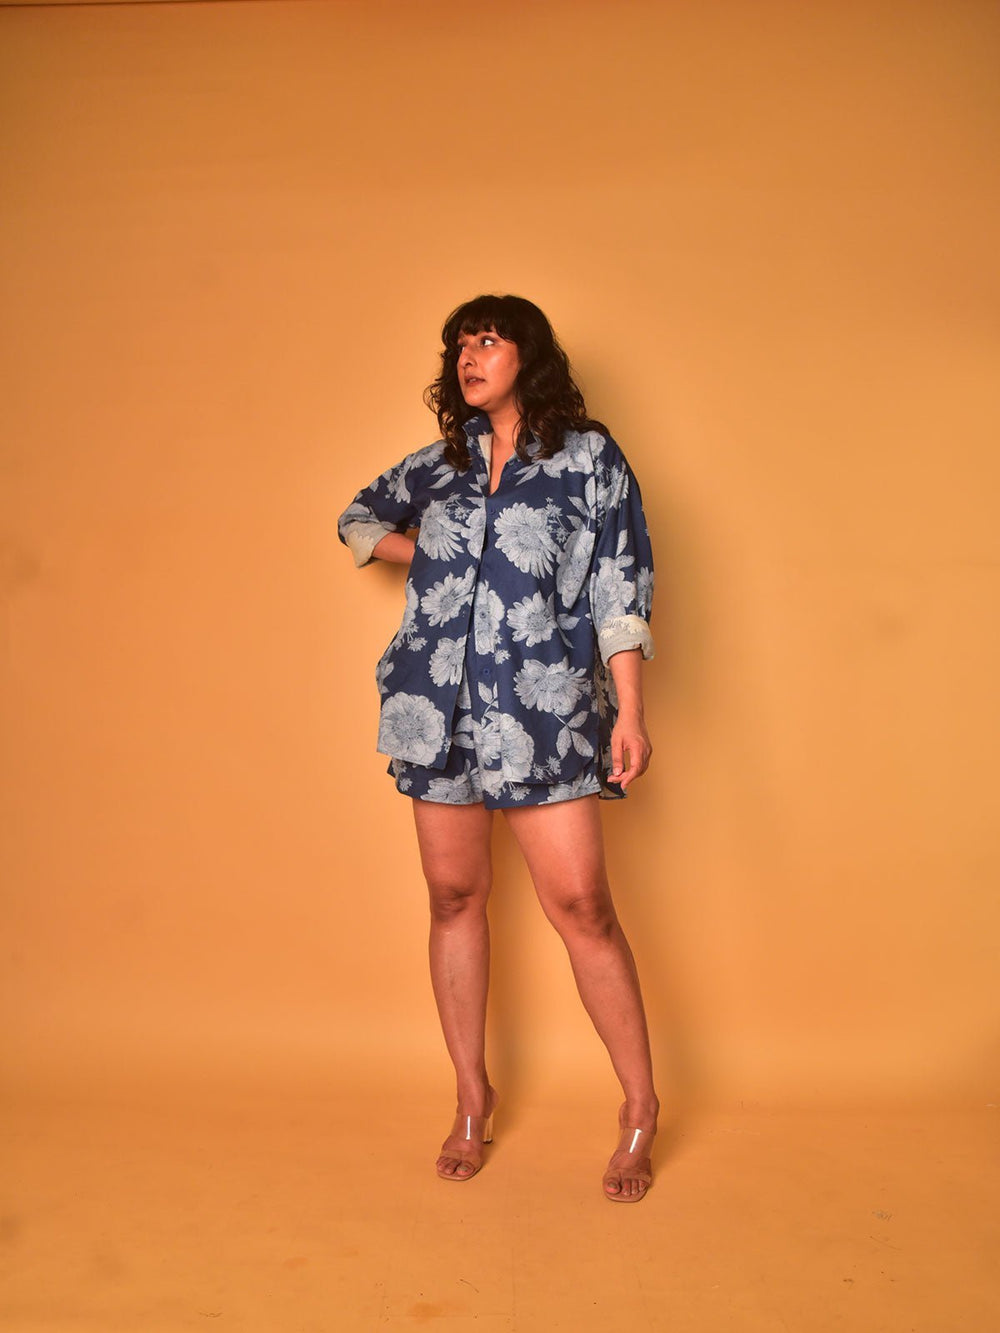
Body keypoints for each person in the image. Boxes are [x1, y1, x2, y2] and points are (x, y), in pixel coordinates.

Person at [338, 294, 659, 1202]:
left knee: (583, 905)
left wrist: (629, 712)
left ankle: (640, 1105)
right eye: (458, 345)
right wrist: (430, 557)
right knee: (453, 897)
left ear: (528, 355)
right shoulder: (440, 466)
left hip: (543, 709)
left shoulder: (589, 458)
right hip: (435, 707)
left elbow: (620, 587)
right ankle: (471, 1098)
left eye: (486, 340)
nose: (468, 357)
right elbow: (356, 518)